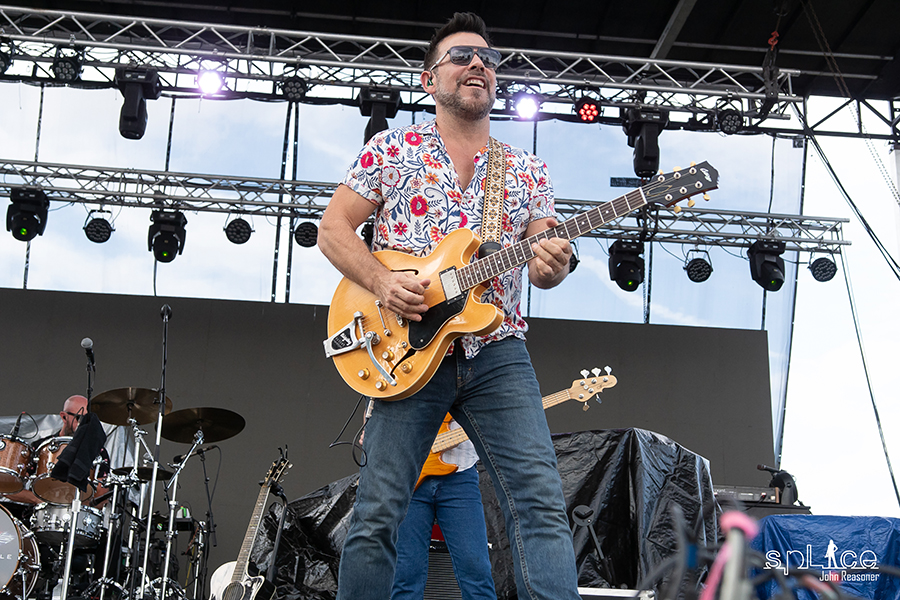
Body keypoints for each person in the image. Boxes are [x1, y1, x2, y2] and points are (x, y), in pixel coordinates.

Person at [318, 12, 580, 600]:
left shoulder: (525, 167)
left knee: (540, 503)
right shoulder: (393, 147)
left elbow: (545, 257)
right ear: (429, 76)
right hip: (407, 350)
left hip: (498, 348)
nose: (478, 65)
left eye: (487, 58)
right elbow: (333, 230)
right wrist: (382, 283)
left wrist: (552, 266)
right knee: (378, 513)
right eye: (462, 56)